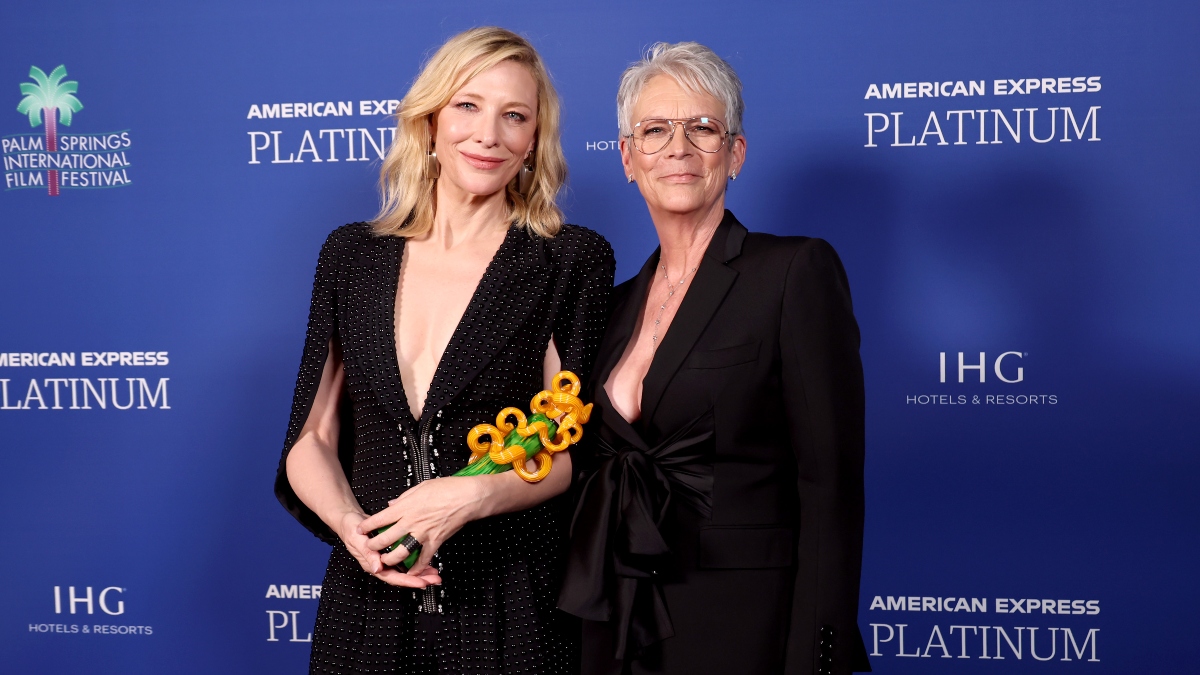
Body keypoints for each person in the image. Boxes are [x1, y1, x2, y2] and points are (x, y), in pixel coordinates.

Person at [275, 27, 614, 674]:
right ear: (429, 121)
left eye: (514, 116)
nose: (488, 133)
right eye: (467, 105)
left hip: (510, 601)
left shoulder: (568, 260)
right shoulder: (351, 256)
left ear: (533, 141)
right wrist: (354, 529)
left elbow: (563, 449)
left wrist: (463, 497)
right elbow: (311, 437)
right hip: (366, 600)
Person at [558, 42, 870, 675]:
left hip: (747, 625)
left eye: (702, 128)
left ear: (736, 153)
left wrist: (820, 651)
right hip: (619, 622)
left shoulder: (791, 272)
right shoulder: (611, 305)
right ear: (627, 158)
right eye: (654, 131)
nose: (678, 148)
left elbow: (829, 485)